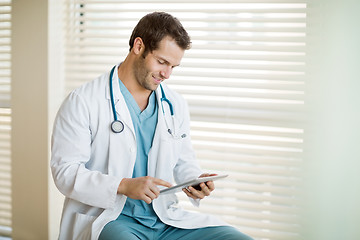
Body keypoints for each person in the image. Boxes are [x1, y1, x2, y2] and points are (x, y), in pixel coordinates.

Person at [51, 12, 253, 240]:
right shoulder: (83, 101)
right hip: (111, 219)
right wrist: (124, 185)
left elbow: (184, 162)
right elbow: (65, 172)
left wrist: (195, 180)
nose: (166, 74)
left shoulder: (174, 104)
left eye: (173, 67)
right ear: (139, 46)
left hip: (164, 219)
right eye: (162, 62)